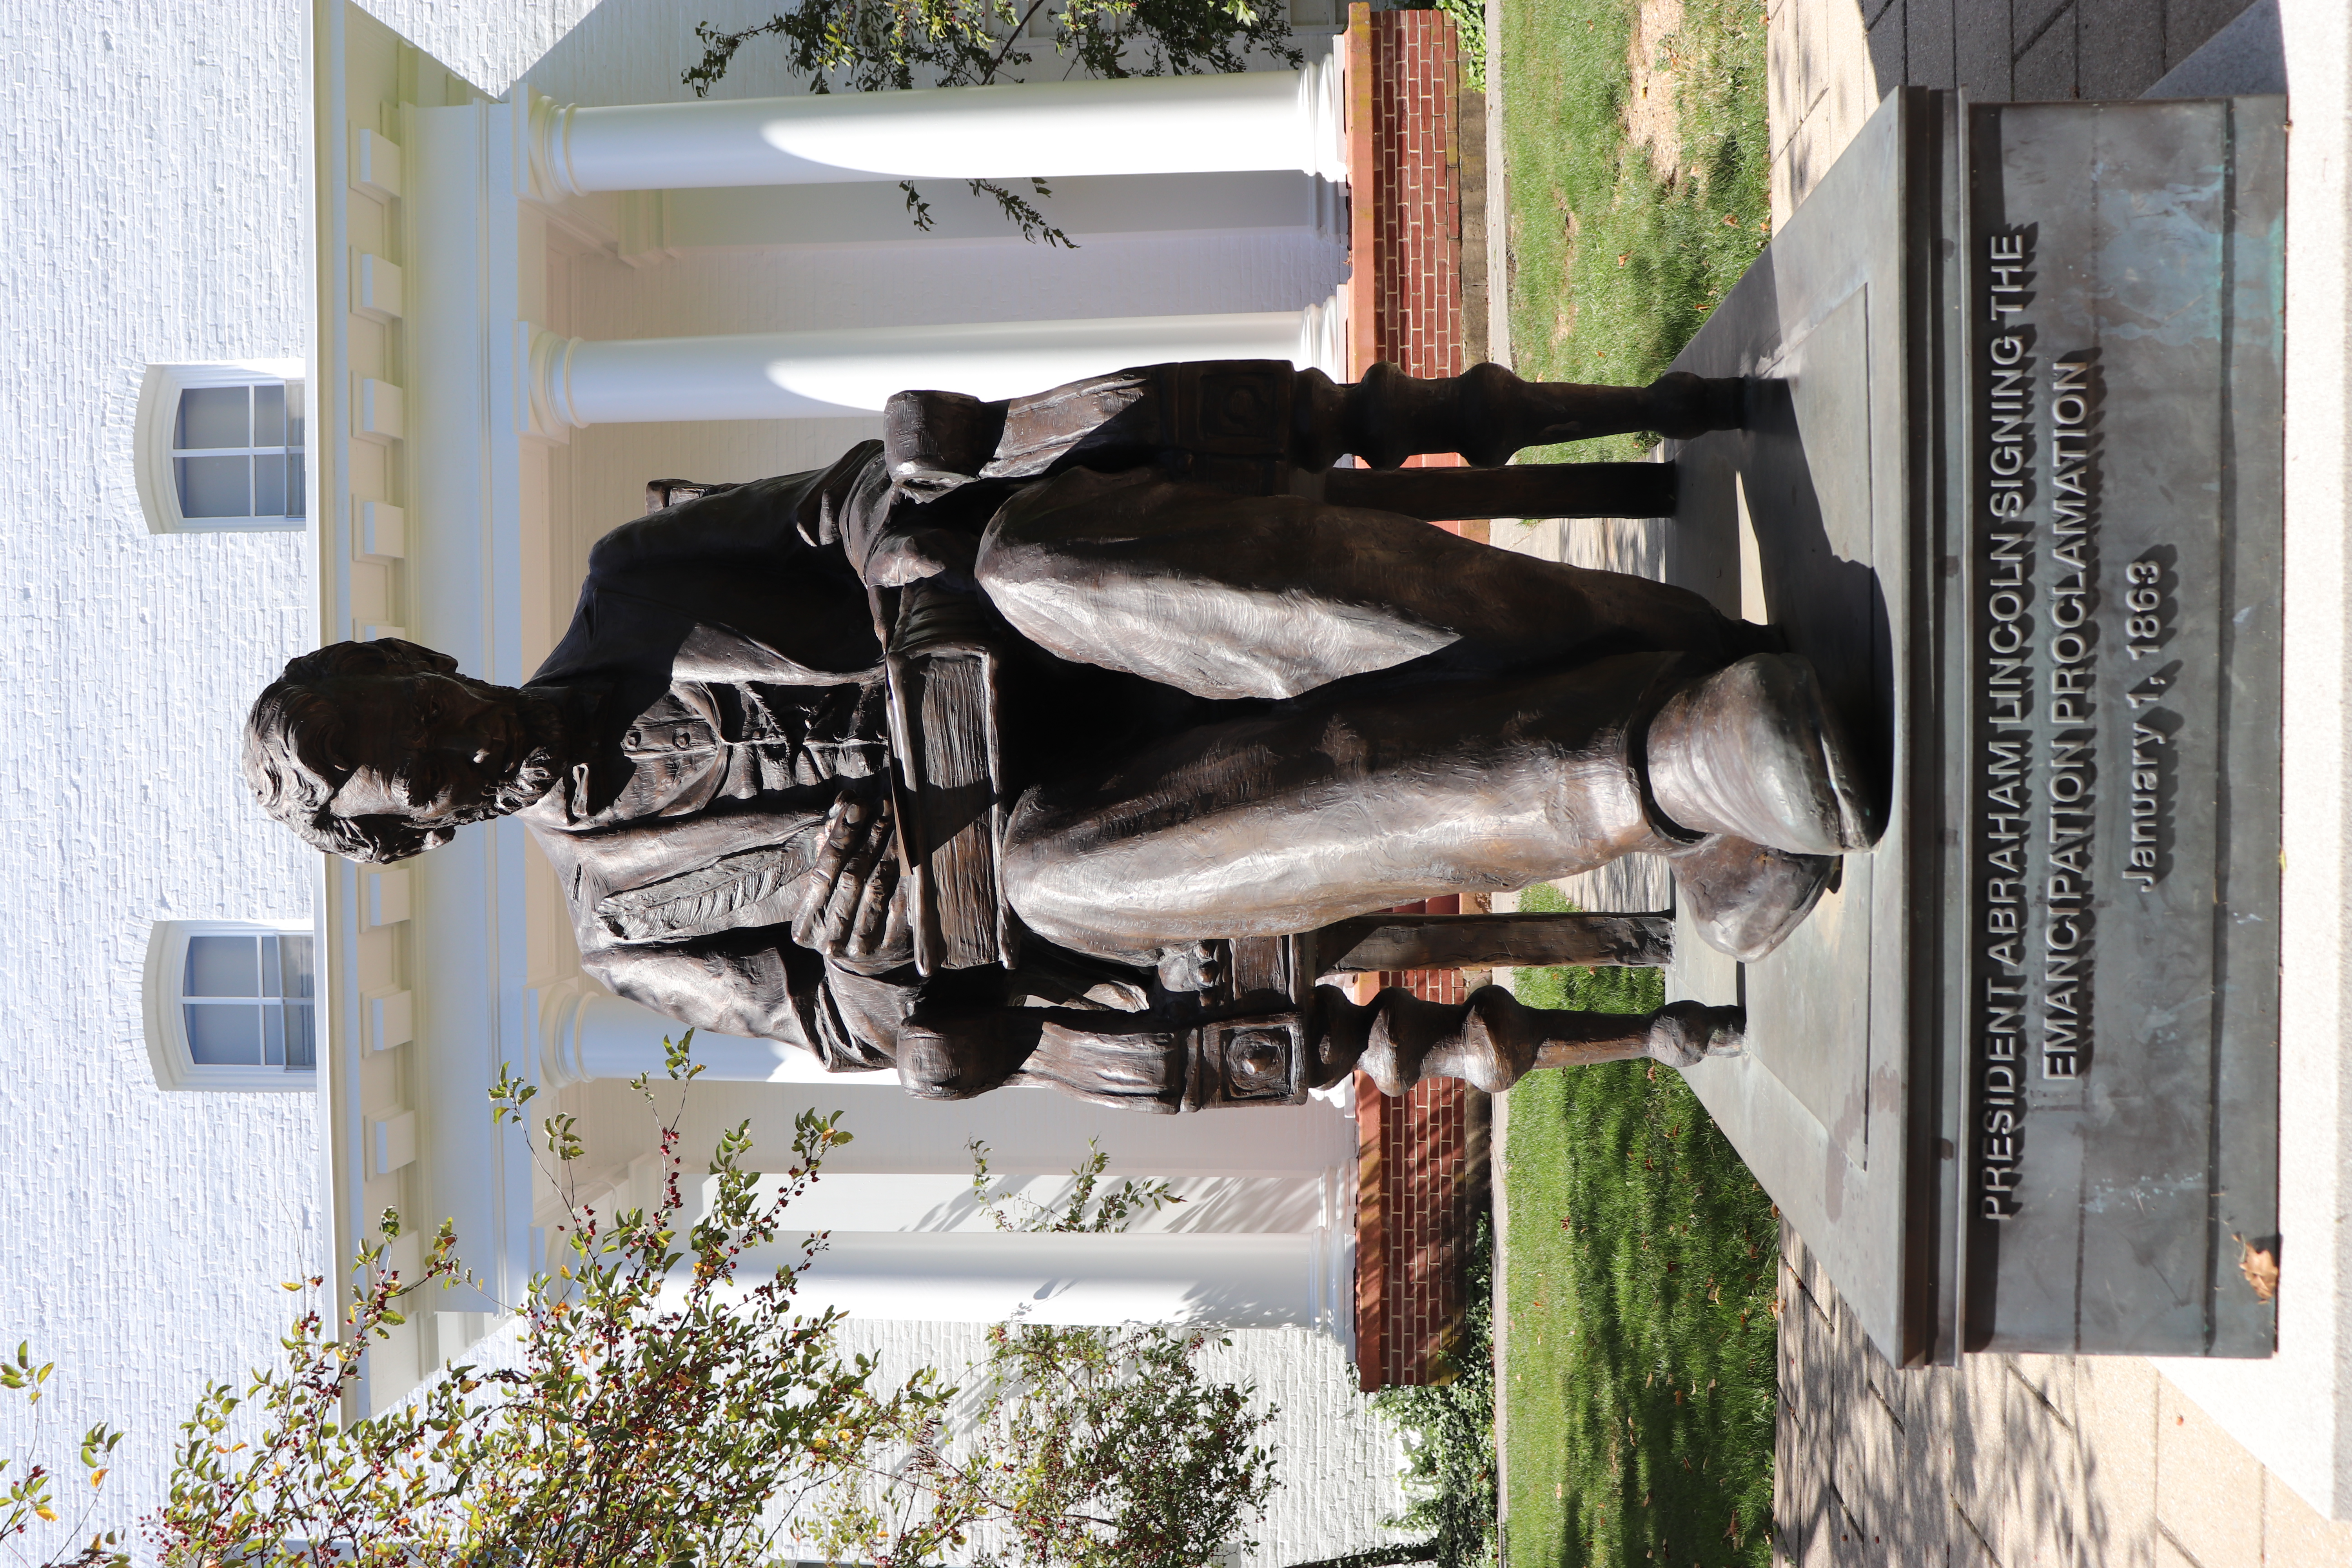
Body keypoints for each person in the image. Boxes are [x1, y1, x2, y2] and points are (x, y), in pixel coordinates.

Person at [243, 361, 1877, 1109]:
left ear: (419, 658)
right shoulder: (624, 934)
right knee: (1046, 873)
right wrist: (880, 957)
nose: (452, 763)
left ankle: (1659, 675)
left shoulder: (633, 587)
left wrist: (921, 599)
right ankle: (1658, 764)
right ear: (415, 839)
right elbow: (855, 1026)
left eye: (417, 720)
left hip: (1062, 630)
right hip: (1101, 842)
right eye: (417, 793)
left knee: (1036, 549)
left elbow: (856, 499)